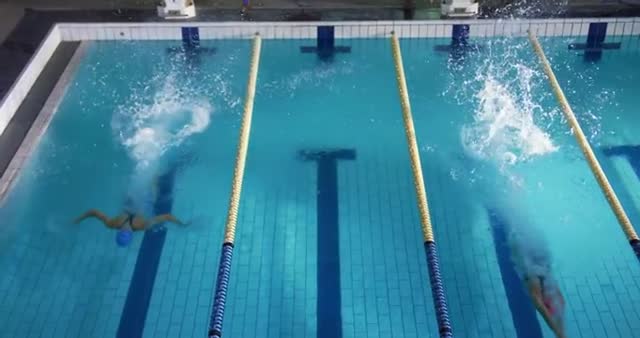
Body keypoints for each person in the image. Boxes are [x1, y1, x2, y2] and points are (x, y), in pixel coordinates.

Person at [510, 228, 567, 338]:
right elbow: (540, 305)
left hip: (532, 253)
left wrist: (560, 333)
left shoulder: (541, 282)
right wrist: (558, 332)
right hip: (530, 252)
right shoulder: (537, 284)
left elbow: (549, 306)